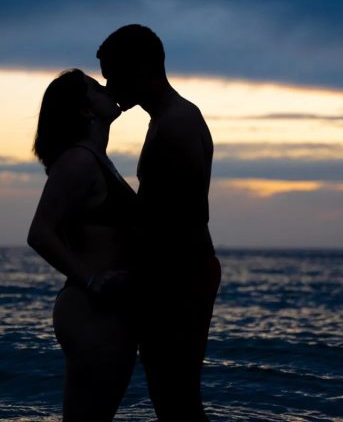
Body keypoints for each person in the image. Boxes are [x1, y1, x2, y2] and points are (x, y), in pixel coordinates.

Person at [97, 24, 221, 421]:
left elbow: (173, 220)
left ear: (140, 67)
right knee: (174, 395)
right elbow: (159, 206)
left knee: (175, 396)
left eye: (112, 75)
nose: (108, 87)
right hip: (183, 272)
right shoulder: (175, 117)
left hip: (179, 277)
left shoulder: (174, 125)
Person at [27, 69, 138, 422]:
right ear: (87, 111)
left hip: (104, 312)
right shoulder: (79, 160)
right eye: (96, 87)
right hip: (92, 312)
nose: (108, 87)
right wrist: (91, 279)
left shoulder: (96, 159)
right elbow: (40, 232)